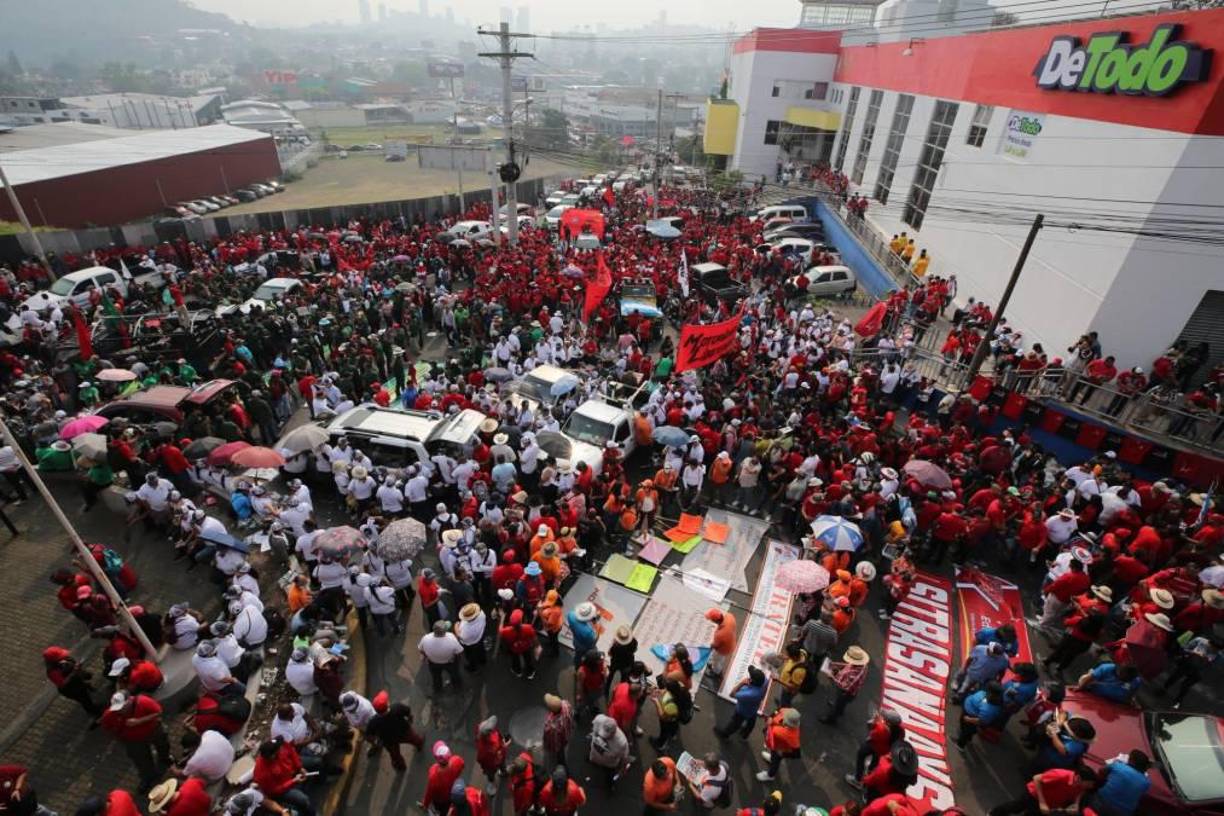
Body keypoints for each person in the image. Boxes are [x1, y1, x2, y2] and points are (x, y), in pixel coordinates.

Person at [100, 690, 173, 792]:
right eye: (117, 708)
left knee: (163, 745)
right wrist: (120, 740)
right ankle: (148, 777)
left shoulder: (144, 702)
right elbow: (107, 728)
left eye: (122, 707)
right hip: (133, 741)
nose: (119, 710)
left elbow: (158, 712)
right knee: (141, 760)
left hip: (153, 731)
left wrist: (139, 721)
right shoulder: (109, 714)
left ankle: (164, 758)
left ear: (129, 700)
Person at [988, 765, 1096, 816]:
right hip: (1033, 795)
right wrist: (1042, 802)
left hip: (1048, 805)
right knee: (1016, 807)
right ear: (1079, 778)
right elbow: (1036, 778)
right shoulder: (1060, 775)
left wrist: (1076, 803)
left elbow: (1081, 792)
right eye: (1089, 783)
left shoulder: (1082, 786)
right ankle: (993, 813)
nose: (1090, 786)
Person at [251, 738, 315, 816]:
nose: (281, 749)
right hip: (284, 789)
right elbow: (275, 790)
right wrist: (293, 781)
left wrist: (300, 767)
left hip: (292, 774)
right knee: (304, 800)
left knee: (316, 762)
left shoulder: (279, 746)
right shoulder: (262, 773)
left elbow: (291, 752)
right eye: (278, 750)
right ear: (271, 756)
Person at [846, 708, 906, 788]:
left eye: (885, 718)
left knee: (861, 754)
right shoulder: (900, 731)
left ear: (889, 723)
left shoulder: (881, 729)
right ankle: (870, 772)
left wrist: (875, 720)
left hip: (875, 746)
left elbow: (871, 732)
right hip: (884, 751)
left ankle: (858, 779)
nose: (883, 718)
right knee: (875, 761)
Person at [42, 645, 103, 720]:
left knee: (85, 693)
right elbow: (63, 683)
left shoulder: (65, 659)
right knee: (85, 700)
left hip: (77, 681)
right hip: (71, 689)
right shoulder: (52, 672)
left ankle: (90, 697)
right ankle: (93, 710)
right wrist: (74, 672)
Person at [366, 702, 425, 772]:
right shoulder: (396, 707)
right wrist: (410, 719)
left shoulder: (373, 721)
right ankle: (420, 745)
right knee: (415, 739)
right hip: (404, 731)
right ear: (386, 705)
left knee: (395, 756)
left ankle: (401, 767)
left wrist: (377, 742)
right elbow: (408, 712)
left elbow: (369, 735)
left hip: (389, 741)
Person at [1090, 750, 1151, 816]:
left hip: (1100, 803)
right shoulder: (1146, 782)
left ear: (1131, 760)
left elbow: (1101, 771)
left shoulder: (1118, 766)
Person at [714, 666, 767, 739]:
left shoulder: (749, 694)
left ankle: (725, 734)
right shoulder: (764, 682)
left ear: (752, 681)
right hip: (754, 708)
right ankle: (745, 734)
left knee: (736, 723)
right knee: (751, 721)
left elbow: (732, 694)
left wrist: (741, 683)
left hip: (742, 711)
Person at [821, 646, 870, 724]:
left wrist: (832, 677)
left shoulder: (855, 675)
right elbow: (848, 665)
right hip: (848, 690)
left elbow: (845, 687)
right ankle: (839, 710)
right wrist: (835, 664)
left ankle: (831, 719)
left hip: (846, 692)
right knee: (841, 703)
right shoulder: (862, 665)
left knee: (839, 703)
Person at [955, 680, 1006, 751]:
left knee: (966, 732)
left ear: (991, 692)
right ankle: (968, 737)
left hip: (970, 719)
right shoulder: (987, 696)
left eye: (988, 689)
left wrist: (968, 719)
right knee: (967, 731)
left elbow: (981, 721)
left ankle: (960, 745)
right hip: (968, 714)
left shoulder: (990, 708)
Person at [419, 619, 464, 694]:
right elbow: (460, 651)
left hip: (433, 663)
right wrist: (457, 659)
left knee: (436, 677)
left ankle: (438, 689)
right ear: (444, 631)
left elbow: (421, 650)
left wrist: (425, 657)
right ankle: (457, 686)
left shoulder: (426, 638)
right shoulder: (451, 638)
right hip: (450, 663)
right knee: (454, 675)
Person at [587, 713, 631, 790]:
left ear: (614, 732)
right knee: (594, 764)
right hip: (594, 755)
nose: (603, 737)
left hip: (609, 765)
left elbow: (625, 758)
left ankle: (609, 785)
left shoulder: (622, 743)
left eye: (607, 735)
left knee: (609, 776)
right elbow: (593, 728)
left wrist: (622, 769)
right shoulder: (599, 719)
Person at [421, 741, 466, 815]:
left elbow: (429, 793)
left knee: (443, 811)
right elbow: (462, 765)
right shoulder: (457, 760)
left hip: (441, 801)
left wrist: (425, 804)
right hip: (454, 793)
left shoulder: (433, 774)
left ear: (436, 758)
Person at [757, 707, 801, 781]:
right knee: (773, 755)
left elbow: (796, 754)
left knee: (775, 762)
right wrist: (771, 717)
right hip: (774, 744)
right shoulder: (787, 711)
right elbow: (777, 710)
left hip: (780, 749)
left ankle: (770, 775)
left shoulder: (792, 736)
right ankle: (771, 758)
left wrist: (782, 754)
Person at [1074, 662, 1141, 705]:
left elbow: (1130, 695)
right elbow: (1089, 678)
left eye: (1132, 678)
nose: (1129, 680)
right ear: (1121, 671)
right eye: (1127, 677)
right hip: (1095, 698)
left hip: (1115, 704)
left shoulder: (1136, 681)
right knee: (1083, 678)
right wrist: (1080, 687)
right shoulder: (1107, 668)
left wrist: (1130, 703)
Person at [475, 716, 508, 795]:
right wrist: (503, 747)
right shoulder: (485, 749)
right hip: (491, 764)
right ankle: (492, 784)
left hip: (498, 758)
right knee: (491, 774)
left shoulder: (482, 729)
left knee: (502, 766)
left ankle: (503, 772)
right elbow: (480, 759)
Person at [542, 693, 575, 771]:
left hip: (560, 741)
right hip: (568, 733)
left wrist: (547, 746)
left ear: (551, 710)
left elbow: (553, 741)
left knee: (560, 753)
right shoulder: (566, 704)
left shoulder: (552, 725)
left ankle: (562, 765)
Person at [776, 641, 810, 707]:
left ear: (794, 656)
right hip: (786, 684)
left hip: (788, 690)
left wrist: (778, 680)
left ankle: (783, 708)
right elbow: (792, 659)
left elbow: (794, 687)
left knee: (785, 701)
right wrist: (785, 657)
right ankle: (782, 704)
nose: (787, 655)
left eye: (788, 655)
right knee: (783, 698)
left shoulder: (799, 671)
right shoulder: (802, 652)